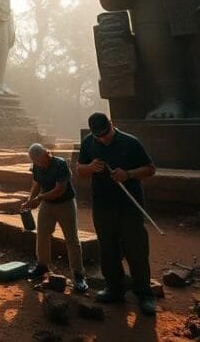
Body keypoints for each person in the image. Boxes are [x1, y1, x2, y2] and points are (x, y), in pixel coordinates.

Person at [77, 113, 158, 316]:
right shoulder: (89, 143)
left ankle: (144, 293)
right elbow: (79, 170)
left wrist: (128, 174)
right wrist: (90, 167)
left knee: (136, 249)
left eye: (106, 134)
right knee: (108, 248)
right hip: (103, 205)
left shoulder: (130, 142)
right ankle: (114, 289)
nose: (103, 139)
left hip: (129, 206)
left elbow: (150, 169)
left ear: (112, 125)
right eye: (99, 136)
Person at [22, 143, 87, 292]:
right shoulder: (37, 165)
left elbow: (59, 190)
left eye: (40, 160)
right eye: (36, 162)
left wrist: (38, 198)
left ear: (46, 154)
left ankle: (78, 274)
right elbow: (36, 183)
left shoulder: (60, 164)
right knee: (43, 235)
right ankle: (42, 265)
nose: (39, 164)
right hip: (47, 204)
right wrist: (30, 199)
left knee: (71, 239)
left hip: (65, 203)